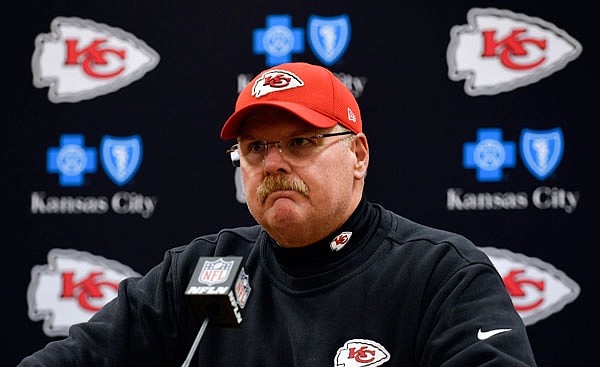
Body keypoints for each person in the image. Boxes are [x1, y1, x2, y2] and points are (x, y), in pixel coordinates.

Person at [18, 62, 537, 366]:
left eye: (302, 141)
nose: (274, 164)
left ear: (358, 156)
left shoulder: (441, 275)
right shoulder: (201, 269)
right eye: (255, 148)